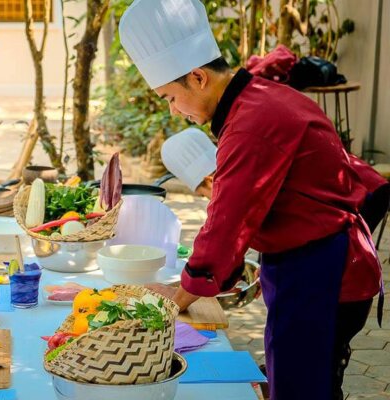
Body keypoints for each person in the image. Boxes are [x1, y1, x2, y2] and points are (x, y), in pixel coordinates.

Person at [119, 1, 383, 399]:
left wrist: (180, 295)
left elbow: (225, 226)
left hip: (321, 273)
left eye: (169, 97)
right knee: (312, 379)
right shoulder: (259, 98)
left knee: (299, 389)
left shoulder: (250, 125)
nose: (174, 111)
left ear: (197, 77)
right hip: (314, 262)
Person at [163, 128, 390, 233]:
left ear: (209, 178)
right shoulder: (238, 161)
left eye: (203, 193)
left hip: (366, 191)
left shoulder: (242, 175)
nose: (208, 200)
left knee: (345, 251)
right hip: (349, 190)